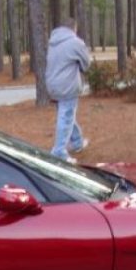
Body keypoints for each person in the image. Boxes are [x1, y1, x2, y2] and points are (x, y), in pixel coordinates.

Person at [45, 18, 92, 162]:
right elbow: (86, 64)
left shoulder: (53, 42)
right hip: (67, 86)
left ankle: (77, 142)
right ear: (73, 29)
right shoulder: (75, 42)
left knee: (67, 113)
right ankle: (59, 151)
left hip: (52, 84)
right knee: (66, 116)